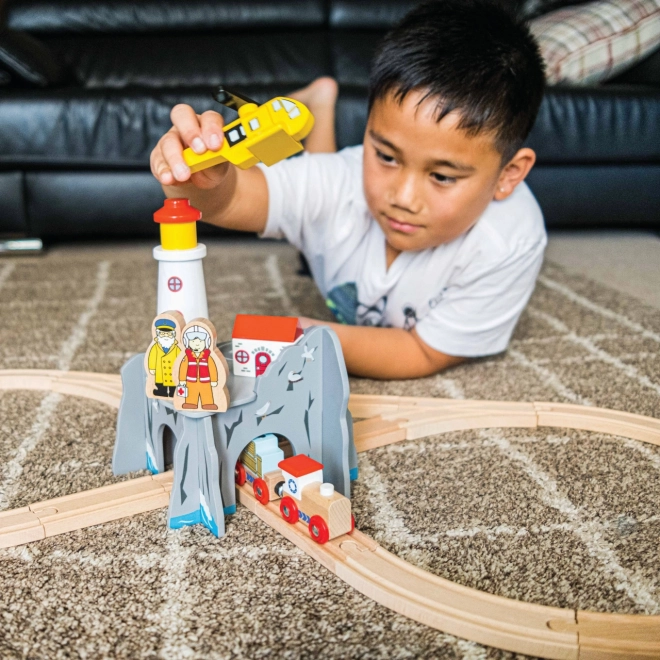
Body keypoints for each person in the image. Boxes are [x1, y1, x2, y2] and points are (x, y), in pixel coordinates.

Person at [150, 0, 547, 380]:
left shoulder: (510, 240)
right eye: (387, 156)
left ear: (509, 175)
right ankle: (322, 103)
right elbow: (233, 198)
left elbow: (425, 351)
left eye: (442, 176)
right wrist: (194, 177)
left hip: (343, 238)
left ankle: (322, 104)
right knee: (323, 192)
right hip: (337, 199)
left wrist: (309, 335)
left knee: (321, 216)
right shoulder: (343, 179)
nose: (403, 198)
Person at [147, 317, 181, 397]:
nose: (166, 335)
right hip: (160, 372)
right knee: (160, 385)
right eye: (162, 333)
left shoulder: (176, 348)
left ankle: (173, 393)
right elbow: (152, 358)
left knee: (173, 384)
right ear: (158, 334)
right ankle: (161, 392)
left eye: (168, 334)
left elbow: (180, 358)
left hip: (171, 372)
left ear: (173, 334)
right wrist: (152, 368)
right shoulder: (155, 347)